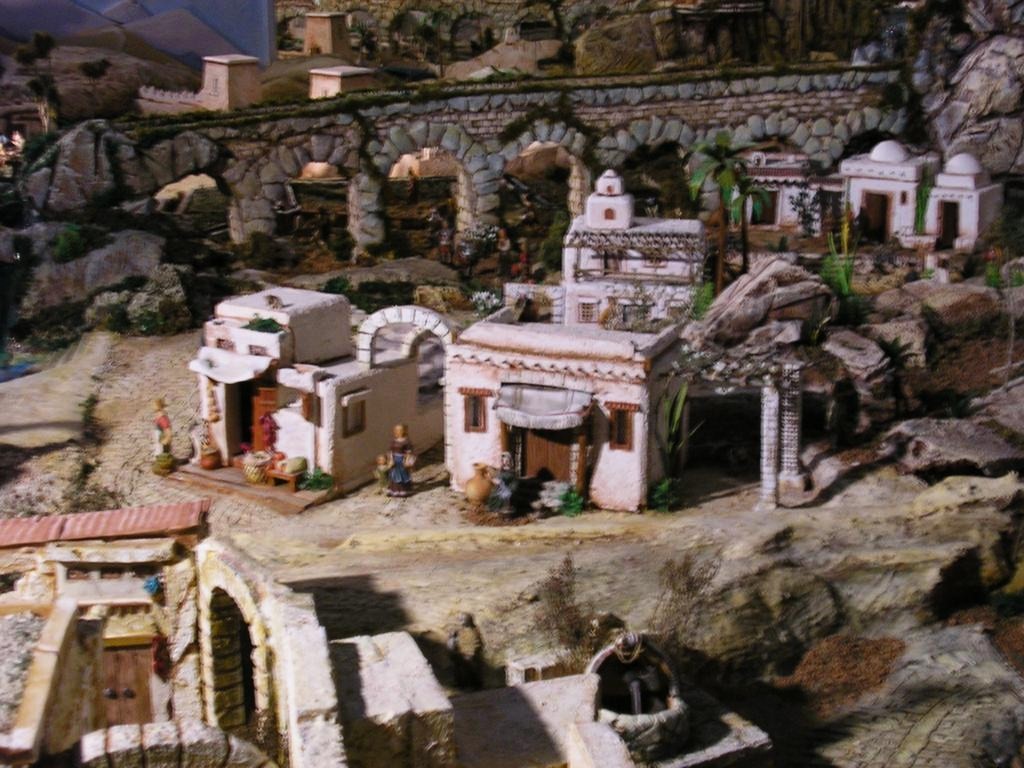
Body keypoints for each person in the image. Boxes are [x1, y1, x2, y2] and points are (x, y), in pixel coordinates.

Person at [447, 612, 484, 689]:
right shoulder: (460, 631)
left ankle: (475, 685)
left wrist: (471, 654)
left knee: (471, 668)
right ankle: (461, 683)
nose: (461, 621)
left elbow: (476, 644)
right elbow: (457, 643)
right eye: (460, 619)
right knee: (457, 666)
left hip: (470, 655)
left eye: (462, 619)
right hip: (462, 654)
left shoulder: (473, 631)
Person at [386, 424, 415, 497]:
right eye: (396, 430)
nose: (397, 432)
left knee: (402, 475)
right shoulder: (394, 441)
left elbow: (409, 453)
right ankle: (394, 490)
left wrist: (407, 461)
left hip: (401, 460)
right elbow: (391, 451)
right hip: (395, 460)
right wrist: (391, 459)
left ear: (403, 431)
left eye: (399, 430)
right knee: (394, 475)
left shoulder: (406, 442)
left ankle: (403, 490)